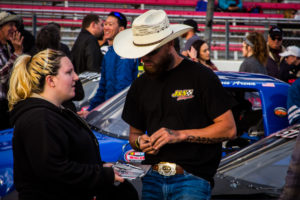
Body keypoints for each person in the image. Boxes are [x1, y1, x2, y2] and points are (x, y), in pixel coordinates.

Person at [113, 9, 237, 199]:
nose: (144, 58)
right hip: (152, 178)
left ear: (170, 43)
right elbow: (134, 135)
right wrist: (141, 143)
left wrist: (179, 135)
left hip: (191, 180)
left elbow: (229, 129)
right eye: (141, 52)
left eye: (151, 52)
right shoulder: (140, 84)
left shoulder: (201, 76)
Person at [7, 48, 140, 200]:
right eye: (69, 72)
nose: (76, 77)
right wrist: (101, 174)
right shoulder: (39, 119)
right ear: (51, 80)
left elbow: (70, 158)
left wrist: (100, 167)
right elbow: (54, 171)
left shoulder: (56, 112)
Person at [78, 12, 139, 117]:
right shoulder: (109, 53)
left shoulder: (125, 52)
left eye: (110, 24)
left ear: (121, 29)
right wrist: (90, 110)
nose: (106, 27)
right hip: (109, 112)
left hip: (119, 115)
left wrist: (107, 114)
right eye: (105, 24)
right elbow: (102, 88)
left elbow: (122, 89)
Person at [34, 23, 84, 112]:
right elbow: (79, 93)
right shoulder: (61, 58)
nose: (75, 77)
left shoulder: (32, 62)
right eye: (68, 72)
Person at [0, 11, 23, 130]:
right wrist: (17, 53)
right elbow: (2, 77)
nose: (14, 29)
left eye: (15, 25)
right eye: (10, 25)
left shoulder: (7, 47)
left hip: (7, 105)